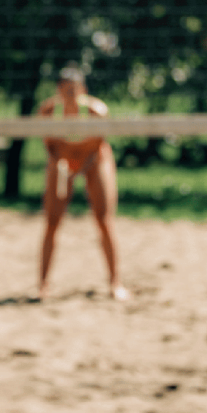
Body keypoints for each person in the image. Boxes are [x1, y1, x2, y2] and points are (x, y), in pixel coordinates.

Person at [36, 65, 129, 302]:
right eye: (65, 90)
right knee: (52, 221)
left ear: (83, 90)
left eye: (74, 90)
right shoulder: (48, 112)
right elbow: (50, 146)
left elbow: (98, 145)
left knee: (104, 219)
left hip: (94, 160)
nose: (70, 95)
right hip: (62, 161)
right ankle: (43, 285)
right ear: (58, 91)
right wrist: (63, 166)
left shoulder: (97, 112)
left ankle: (115, 282)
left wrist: (82, 167)